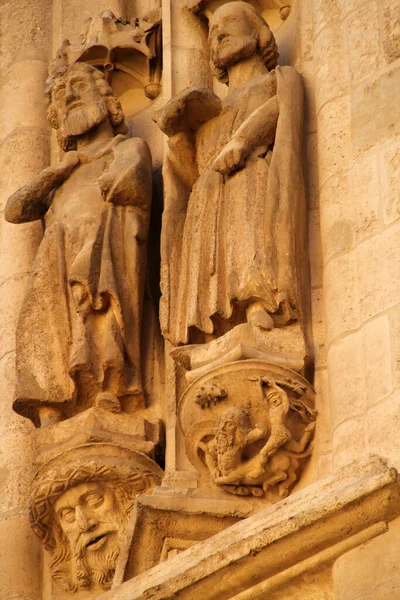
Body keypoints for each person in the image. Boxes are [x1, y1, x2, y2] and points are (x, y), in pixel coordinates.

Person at [5, 60, 153, 427]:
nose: (70, 97)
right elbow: (14, 210)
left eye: (80, 87)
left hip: (104, 246)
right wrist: (56, 171)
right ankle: (52, 405)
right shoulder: (61, 173)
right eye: (60, 95)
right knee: (41, 324)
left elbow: (129, 184)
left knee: (102, 312)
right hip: (56, 255)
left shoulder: (126, 146)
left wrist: (103, 173)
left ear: (109, 102)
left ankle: (110, 387)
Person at [156, 2, 305, 346]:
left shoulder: (276, 80)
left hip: (247, 177)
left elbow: (280, 109)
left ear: (259, 32)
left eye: (230, 23)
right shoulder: (209, 112)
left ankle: (257, 303)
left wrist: (242, 140)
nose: (218, 32)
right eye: (212, 31)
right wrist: (177, 136)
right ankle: (209, 323)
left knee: (247, 226)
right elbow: (188, 176)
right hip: (207, 198)